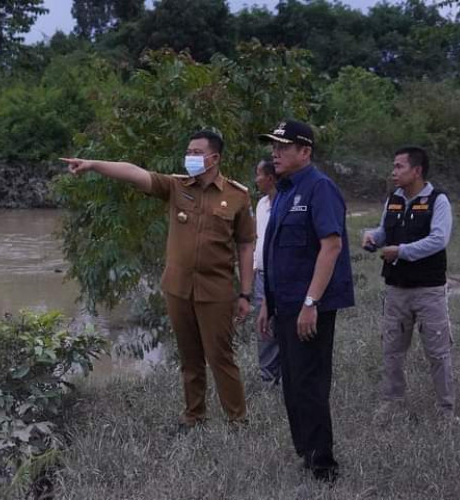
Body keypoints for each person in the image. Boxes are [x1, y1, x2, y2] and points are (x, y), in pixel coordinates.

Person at [62, 130, 255, 429]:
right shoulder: (176, 186)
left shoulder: (237, 196)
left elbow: (245, 245)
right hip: (178, 289)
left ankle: (237, 421)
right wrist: (93, 164)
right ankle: (194, 418)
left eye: (196, 152)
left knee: (221, 358)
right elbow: (134, 173)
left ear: (214, 158)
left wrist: (245, 293)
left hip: (216, 291)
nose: (189, 157)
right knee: (190, 358)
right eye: (188, 151)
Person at [256, 120, 354, 482]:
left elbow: (332, 247)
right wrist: (267, 302)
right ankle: (306, 453)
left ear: (305, 151)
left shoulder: (320, 188)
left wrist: (311, 302)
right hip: (283, 305)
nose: (275, 153)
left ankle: (323, 467)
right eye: (273, 146)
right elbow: (274, 253)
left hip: (309, 308)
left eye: (283, 147)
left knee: (310, 386)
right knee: (292, 385)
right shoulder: (283, 191)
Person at [362, 146, 456, 421]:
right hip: (396, 289)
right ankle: (393, 403)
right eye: (394, 166)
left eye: (399, 167)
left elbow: (439, 239)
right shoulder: (393, 199)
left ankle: (446, 410)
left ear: (416, 170)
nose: (394, 172)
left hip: (429, 290)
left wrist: (401, 251)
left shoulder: (438, 200)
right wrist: (372, 238)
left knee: (438, 352)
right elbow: (383, 231)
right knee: (392, 350)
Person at [253, 158, 280, 384]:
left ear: (270, 178)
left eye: (258, 174)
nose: (256, 180)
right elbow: (258, 239)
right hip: (261, 276)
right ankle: (268, 379)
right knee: (264, 328)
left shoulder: (286, 203)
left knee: (284, 326)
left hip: (281, 275)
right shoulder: (261, 205)